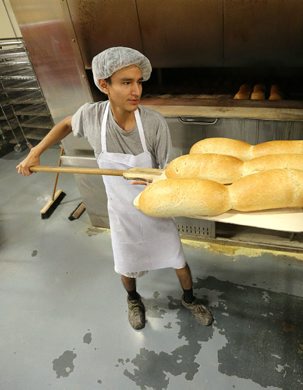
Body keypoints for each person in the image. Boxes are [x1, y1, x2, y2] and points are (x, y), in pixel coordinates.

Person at [16, 47, 213, 330]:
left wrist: (156, 179)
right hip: (121, 211)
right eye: (126, 82)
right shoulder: (92, 117)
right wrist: (35, 151)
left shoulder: (154, 123)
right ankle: (133, 299)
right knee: (125, 262)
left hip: (154, 206)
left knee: (177, 259)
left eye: (139, 82)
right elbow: (65, 124)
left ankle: (189, 298)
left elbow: (167, 171)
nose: (136, 90)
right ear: (104, 85)